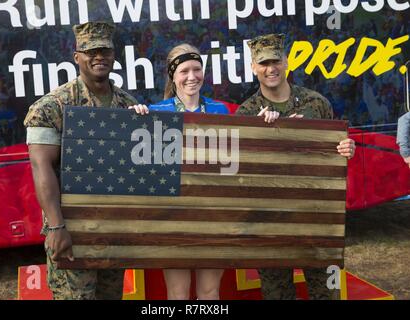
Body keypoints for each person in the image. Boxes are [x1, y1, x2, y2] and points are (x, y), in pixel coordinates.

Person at [23, 21, 142, 300]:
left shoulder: (129, 105)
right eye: (90, 51)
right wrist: (56, 226)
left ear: (114, 56)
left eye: (105, 51)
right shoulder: (52, 106)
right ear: (77, 57)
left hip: (114, 228)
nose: (99, 57)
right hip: (72, 229)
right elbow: (41, 167)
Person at [236, 33, 356, 300]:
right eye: (263, 63)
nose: (271, 69)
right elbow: (240, 174)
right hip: (271, 222)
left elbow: (336, 150)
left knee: (326, 292)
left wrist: (346, 148)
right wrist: (257, 133)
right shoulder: (246, 113)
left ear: (286, 62)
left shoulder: (317, 103)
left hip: (317, 218)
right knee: (277, 293)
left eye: (276, 61)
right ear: (254, 67)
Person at [146, 43, 229, 300]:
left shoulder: (220, 110)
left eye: (197, 69)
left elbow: (231, 161)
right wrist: (136, 122)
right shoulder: (156, 112)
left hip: (213, 212)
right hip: (173, 215)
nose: (192, 76)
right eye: (184, 71)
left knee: (209, 291)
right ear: (173, 75)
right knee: (178, 292)